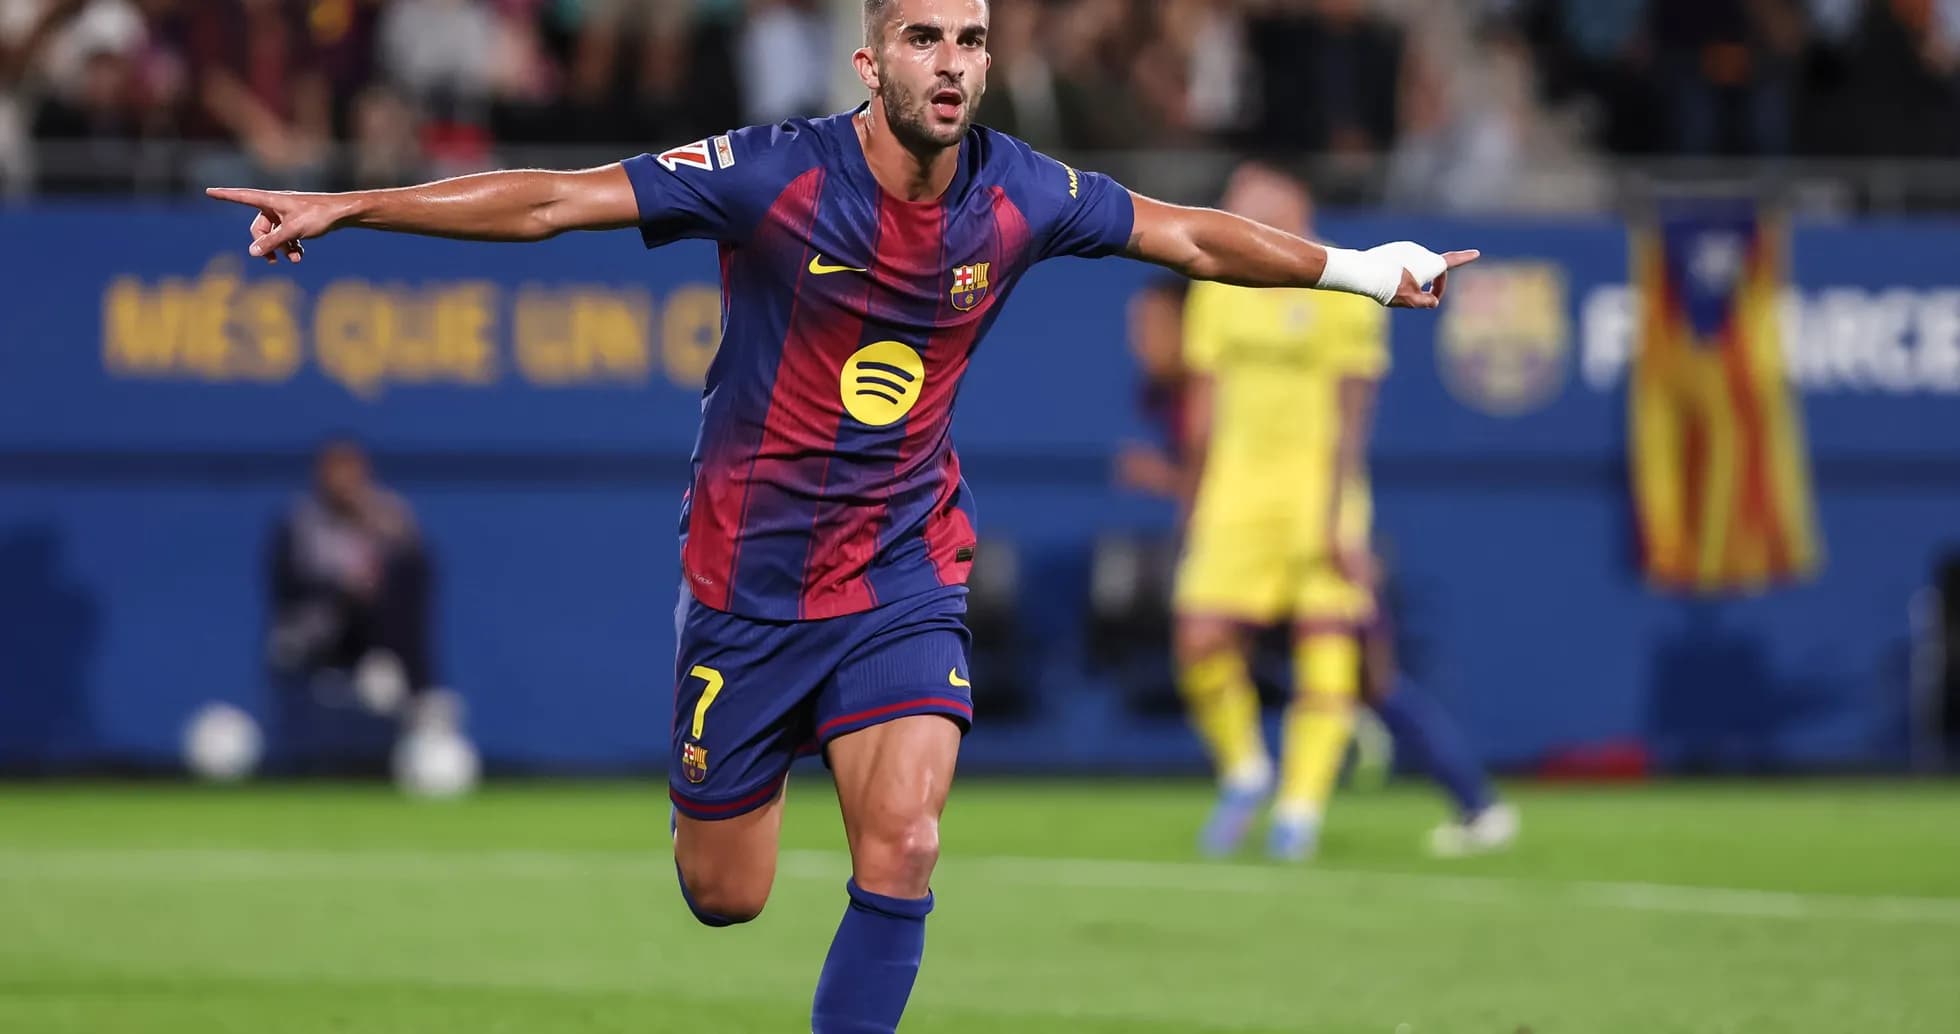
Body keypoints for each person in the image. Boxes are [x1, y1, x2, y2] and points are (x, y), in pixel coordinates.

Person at [206, 2, 1477, 1029]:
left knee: (908, 838)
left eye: (973, 41)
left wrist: (1369, 271)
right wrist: (347, 204)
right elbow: (553, 201)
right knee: (728, 896)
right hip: (746, 588)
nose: (952, 63)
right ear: (871, 62)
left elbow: (1188, 237)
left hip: (903, 569)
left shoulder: (1022, 192)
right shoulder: (770, 175)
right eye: (924, 38)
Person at [1161, 161, 1512, 860]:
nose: (1241, 211)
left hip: (1319, 496)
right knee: (1199, 638)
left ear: (1296, 203)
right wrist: (1193, 494)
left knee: (1335, 656)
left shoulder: (1347, 281)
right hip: (1236, 495)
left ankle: (1299, 812)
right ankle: (1246, 770)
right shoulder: (1219, 289)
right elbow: (1201, 406)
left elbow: (1354, 412)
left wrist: (1339, 509)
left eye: (1257, 200)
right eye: (1236, 201)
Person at [266, 437, 435, 719]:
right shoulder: (300, 521)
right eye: (336, 470)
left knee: (401, 586)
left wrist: (384, 526)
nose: (344, 481)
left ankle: (417, 691)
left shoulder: (384, 514)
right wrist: (341, 586)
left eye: (351, 470)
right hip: (318, 628)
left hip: (374, 629)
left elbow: (414, 568)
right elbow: (290, 584)